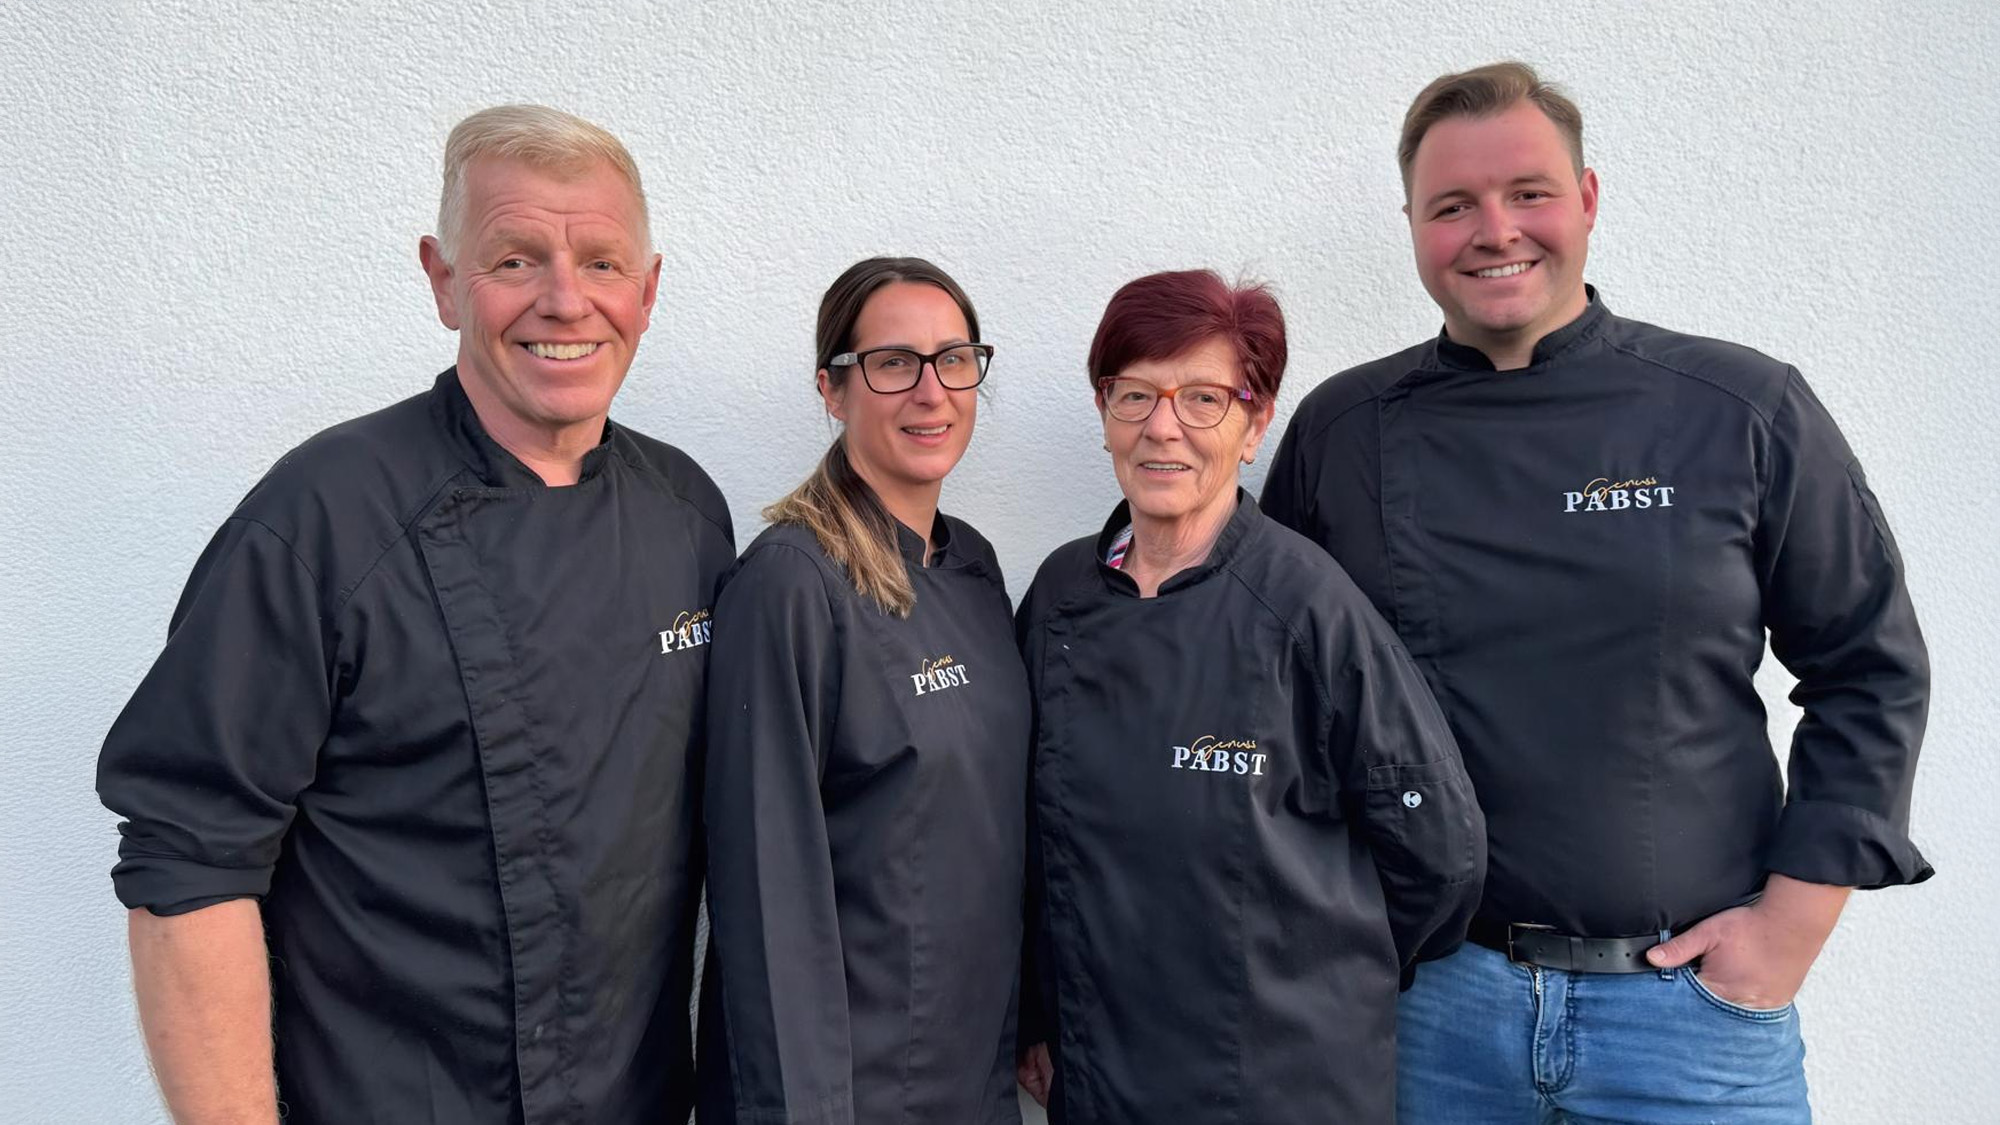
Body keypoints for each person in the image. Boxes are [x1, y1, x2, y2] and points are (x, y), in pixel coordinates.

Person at [1261, 62, 1932, 1123]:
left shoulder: (1738, 408)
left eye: (1526, 193)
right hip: (1430, 1016)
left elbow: (1869, 667)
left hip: (1687, 1024)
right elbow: (1278, 699)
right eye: (1452, 206)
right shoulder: (1341, 432)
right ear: (1413, 226)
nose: (1494, 231)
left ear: (1585, 198)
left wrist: (1787, 932)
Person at [95, 105, 735, 1123]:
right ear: (443, 281)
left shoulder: (687, 515)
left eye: (602, 263)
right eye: (514, 261)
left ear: (647, 292)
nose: (565, 300)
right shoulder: (320, 520)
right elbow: (188, 860)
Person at [1013, 269, 1485, 1124]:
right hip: (1099, 1073)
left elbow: (1441, 857)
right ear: (1105, 410)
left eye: (1203, 398)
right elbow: (1032, 847)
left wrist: (1317, 973)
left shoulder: (1307, 605)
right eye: (1135, 394)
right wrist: (1040, 1016)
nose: (1163, 427)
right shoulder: (1058, 597)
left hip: (1280, 1082)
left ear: (1255, 422)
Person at [695, 257, 1030, 1125]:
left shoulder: (975, 567)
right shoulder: (790, 584)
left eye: (953, 359)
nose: (931, 391)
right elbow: (766, 892)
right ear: (832, 389)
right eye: (892, 363)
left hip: (972, 1076)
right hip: (852, 1090)